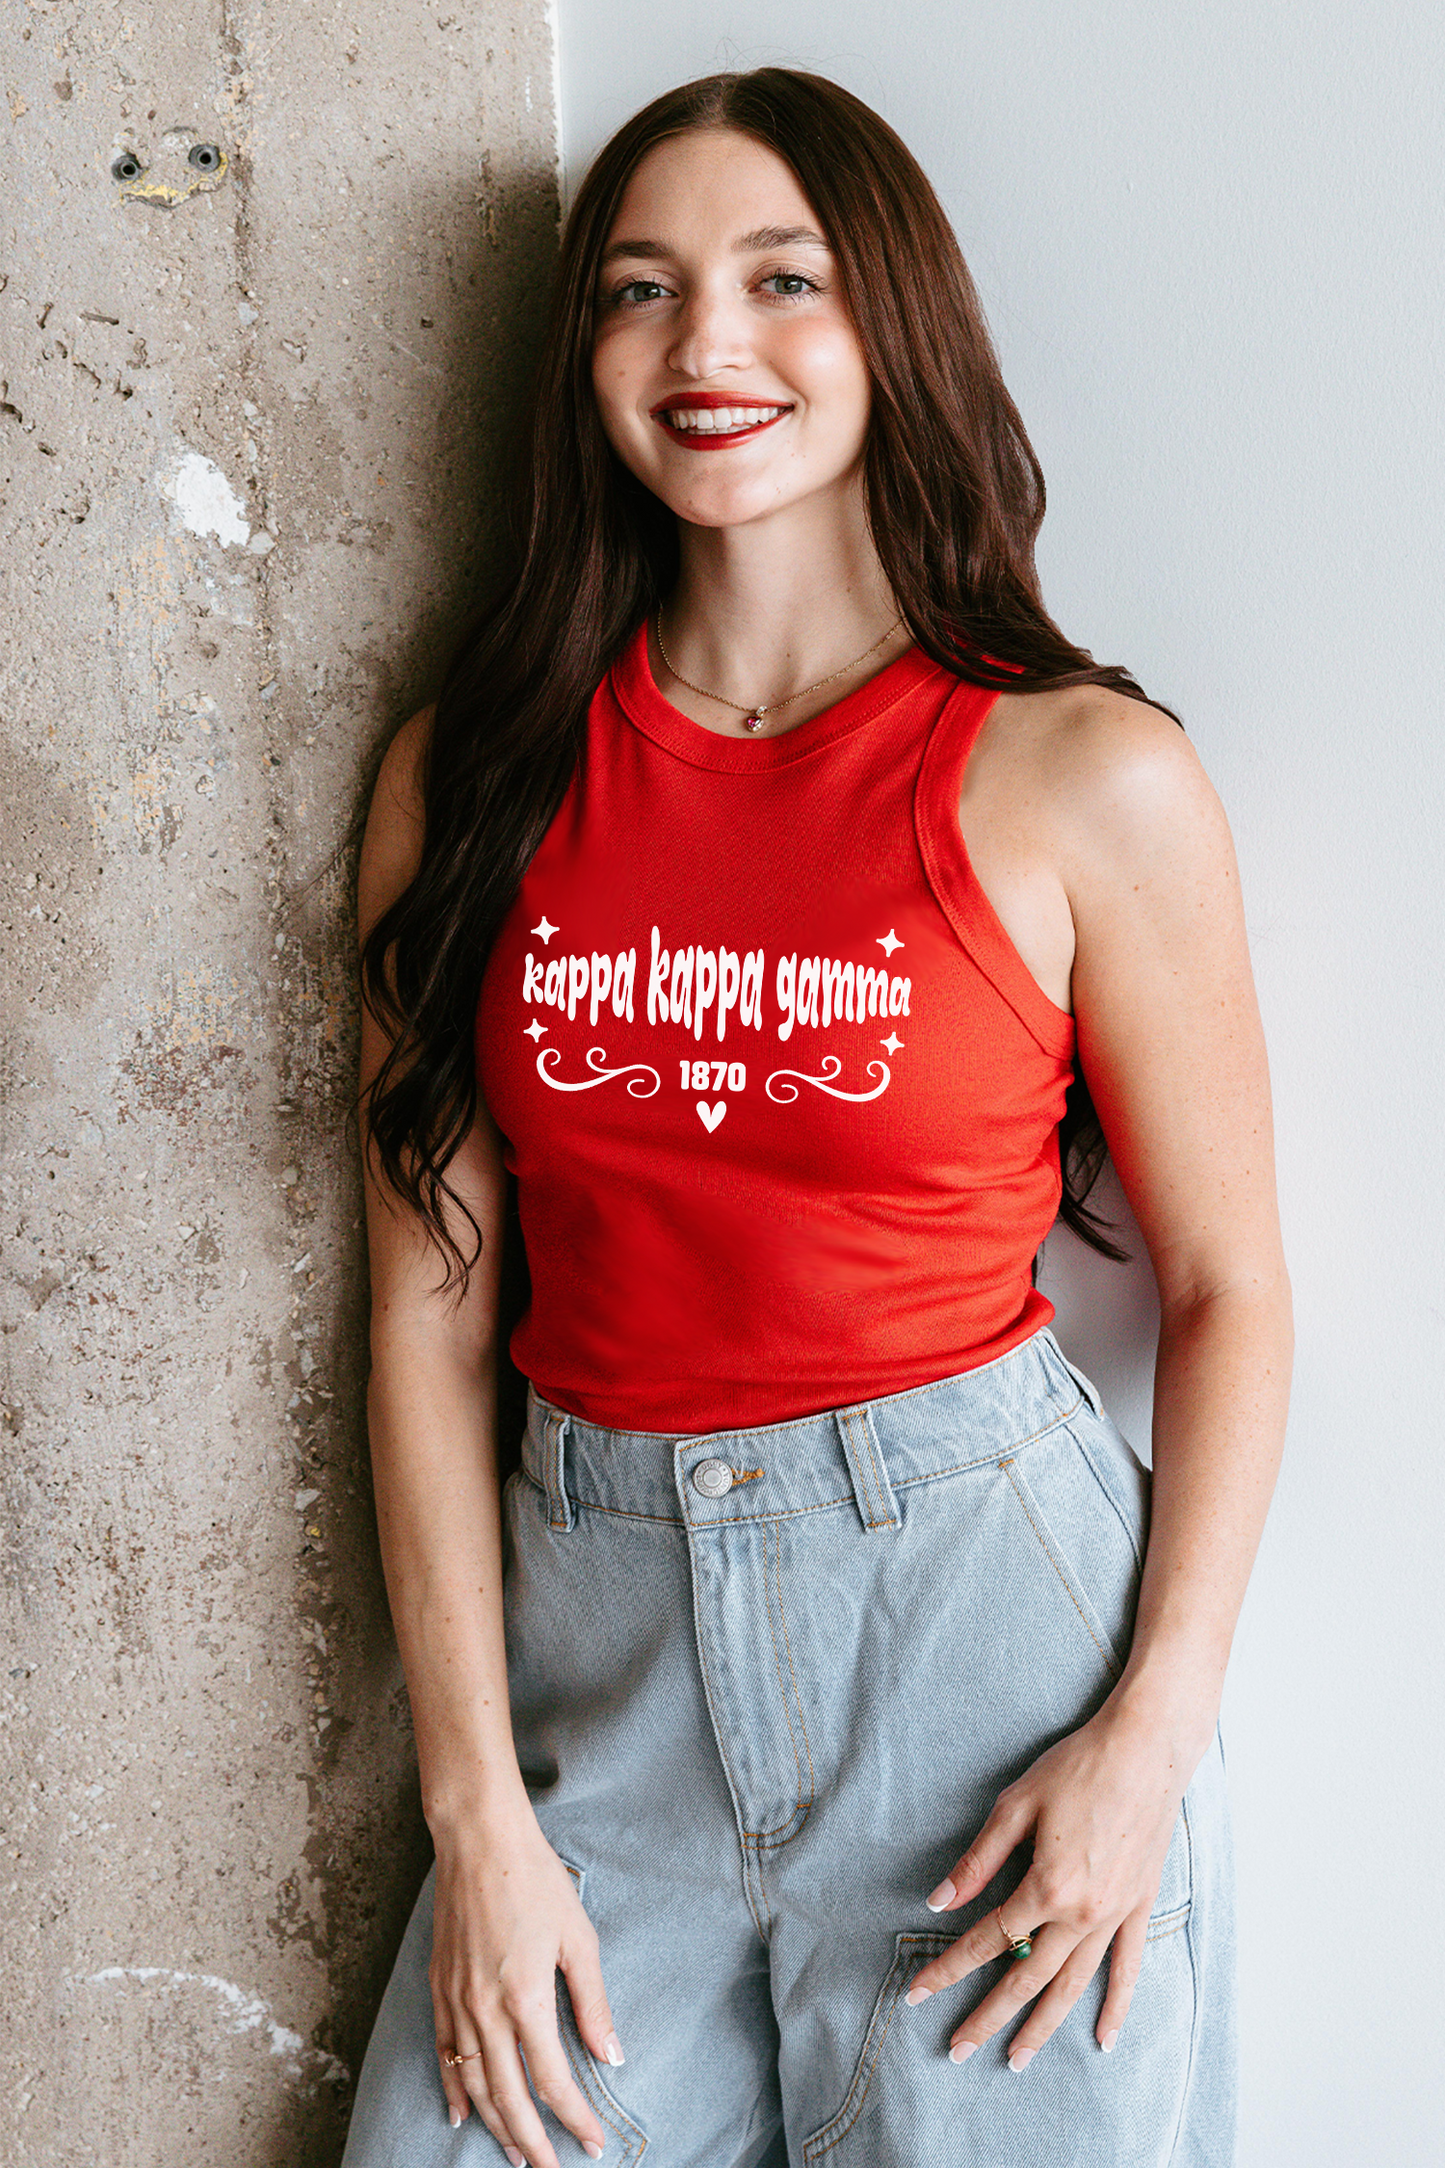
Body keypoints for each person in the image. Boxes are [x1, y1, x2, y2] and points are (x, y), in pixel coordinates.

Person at [341, 66, 1291, 2168]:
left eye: (782, 279)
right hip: (598, 1659)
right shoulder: (477, 773)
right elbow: (423, 1317)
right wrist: (475, 1813)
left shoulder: (1073, 776)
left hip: (983, 1661)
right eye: (638, 288)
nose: (704, 347)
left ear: (895, 332)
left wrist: (1149, 1738)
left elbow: (1227, 1286)